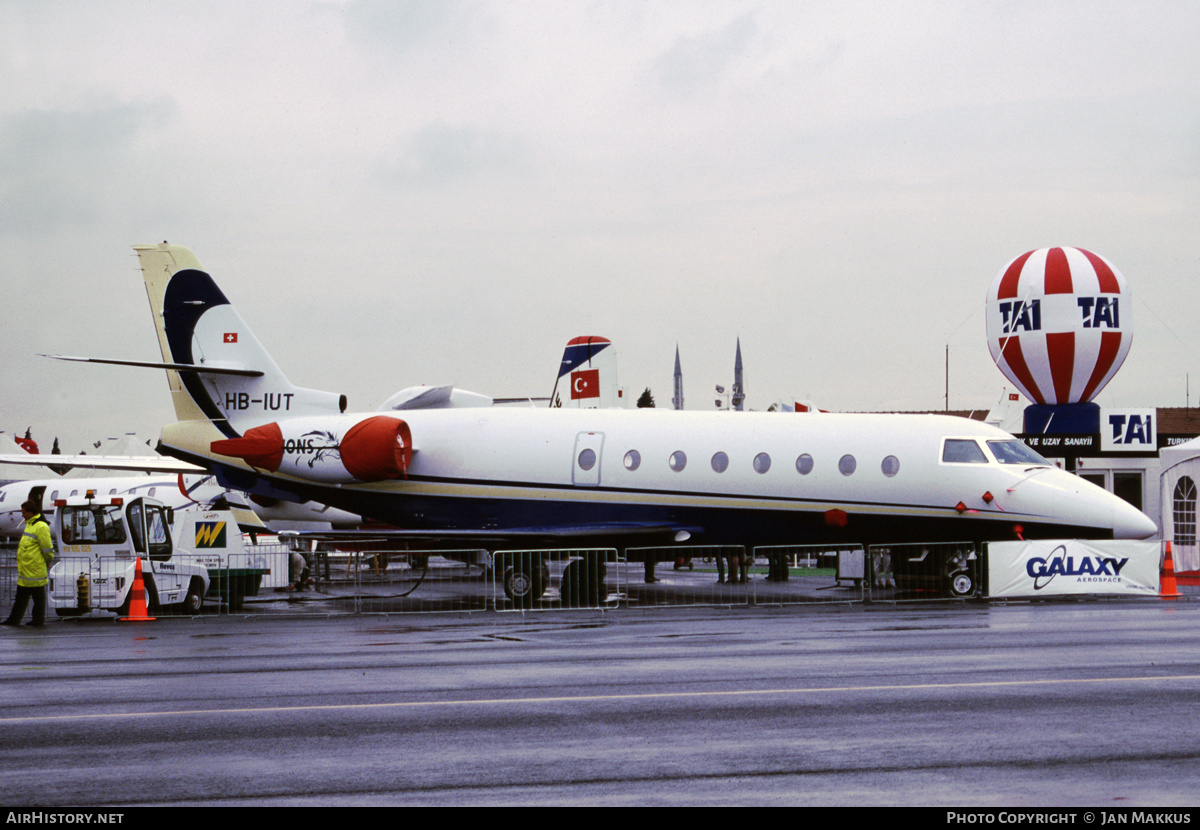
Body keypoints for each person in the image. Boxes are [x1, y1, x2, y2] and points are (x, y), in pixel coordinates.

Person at [3, 501, 55, 627]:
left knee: (35, 597)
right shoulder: (30, 525)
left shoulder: (41, 526)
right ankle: (18, 620)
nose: (22, 515)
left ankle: (33, 620)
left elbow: (47, 549)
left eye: (24, 512)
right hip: (27, 569)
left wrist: (47, 561)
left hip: (34, 569)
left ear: (31, 512)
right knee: (24, 597)